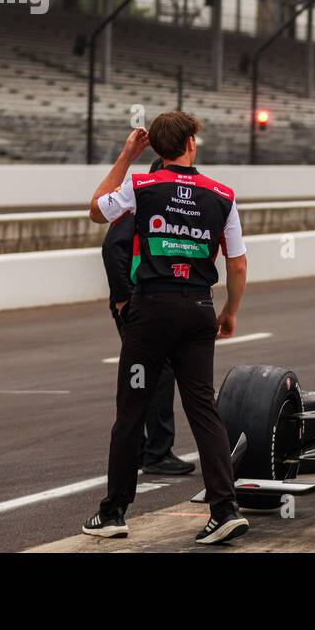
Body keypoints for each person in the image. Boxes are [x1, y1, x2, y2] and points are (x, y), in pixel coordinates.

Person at [82, 113, 250, 546]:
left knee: (131, 411)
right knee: (203, 409)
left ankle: (114, 511)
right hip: (198, 309)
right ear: (191, 143)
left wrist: (126, 156)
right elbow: (237, 262)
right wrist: (229, 311)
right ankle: (225, 509)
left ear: (155, 150)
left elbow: (96, 211)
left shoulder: (141, 186)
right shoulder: (222, 195)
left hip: (151, 311)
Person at [101, 155, 195, 476]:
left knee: (144, 373)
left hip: (147, 302)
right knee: (158, 372)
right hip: (137, 304)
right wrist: (123, 299)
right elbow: (112, 247)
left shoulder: (153, 205)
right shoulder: (143, 202)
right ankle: (156, 451)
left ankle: (147, 450)